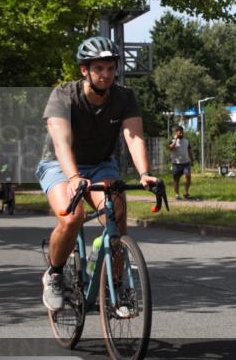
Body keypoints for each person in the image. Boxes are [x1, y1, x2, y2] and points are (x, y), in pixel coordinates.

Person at [36, 36, 159, 311]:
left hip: (101, 163)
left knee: (116, 216)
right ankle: (54, 274)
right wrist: (73, 177)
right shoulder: (63, 95)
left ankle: (116, 285)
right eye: (99, 68)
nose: (106, 75)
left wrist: (145, 172)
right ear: (85, 70)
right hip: (58, 164)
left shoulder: (124, 97)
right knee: (71, 217)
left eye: (111, 68)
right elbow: (61, 142)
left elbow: (134, 137)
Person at [168, 126, 194, 200]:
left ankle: (186, 193)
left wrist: (192, 160)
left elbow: (189, 151)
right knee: (176, 180)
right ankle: (177, 194)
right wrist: (175, 140)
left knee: (188, 176)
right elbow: (171, 148)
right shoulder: (172, 141)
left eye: (182, 131)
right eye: (179, 131)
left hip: (186, 163)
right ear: (176, 132)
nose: (181, 133)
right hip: (176, 164)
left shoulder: (186, 141)